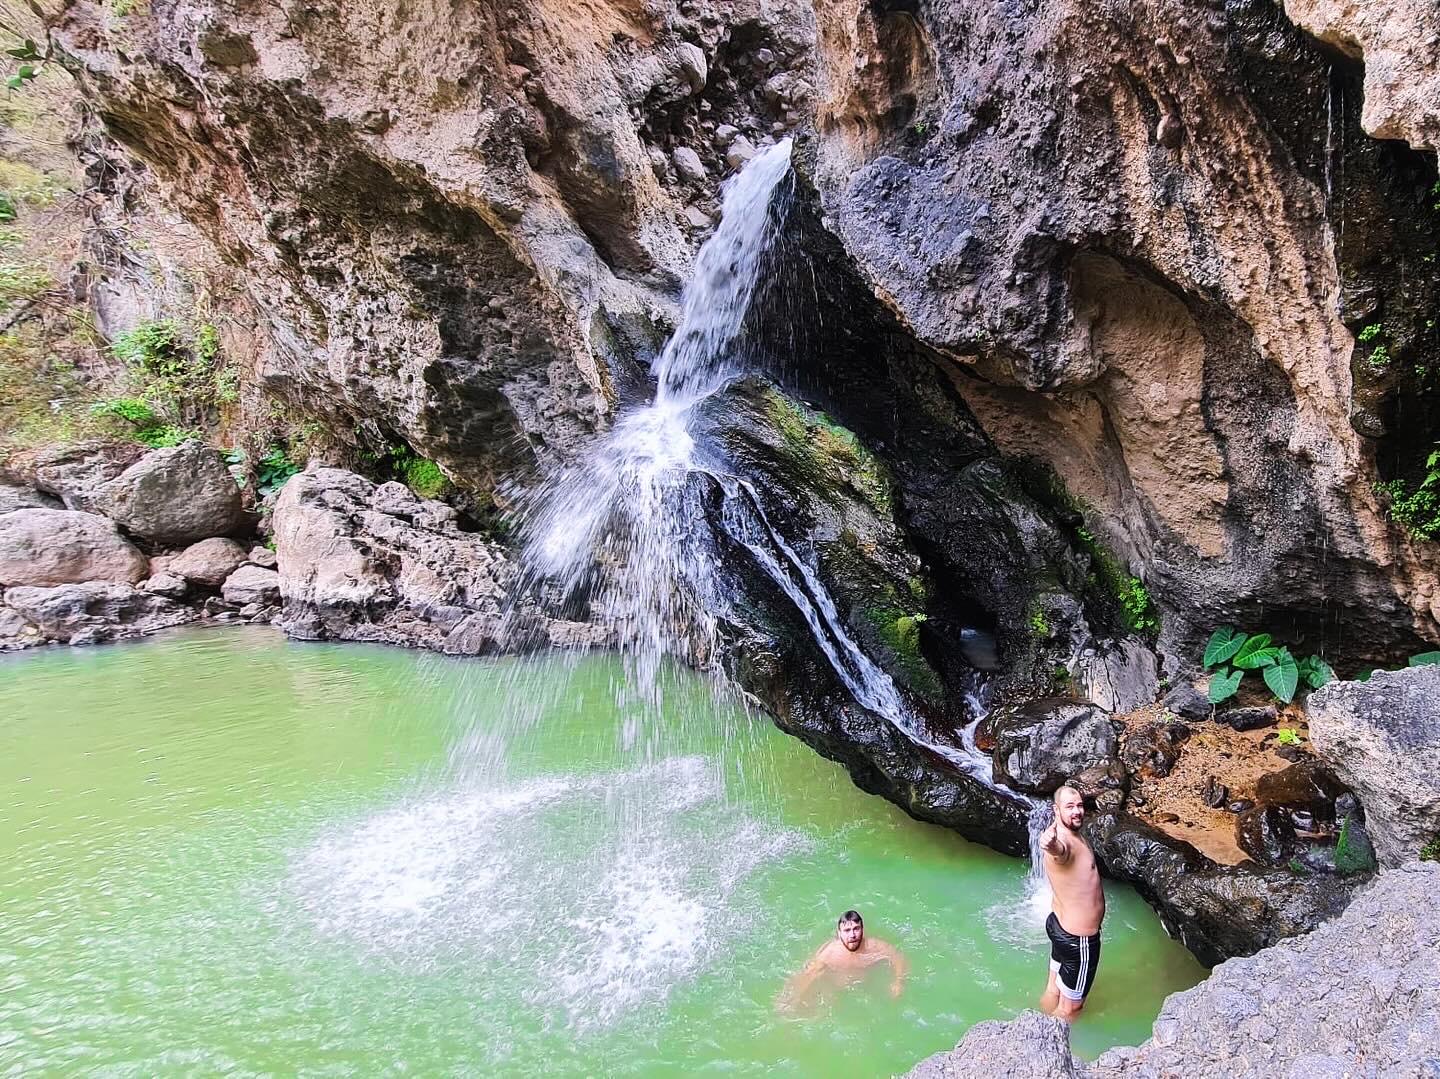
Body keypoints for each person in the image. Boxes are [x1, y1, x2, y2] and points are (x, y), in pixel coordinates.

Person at [1039, 785, 1105, 1021]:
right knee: (1070, 1009)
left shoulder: (1066, 832)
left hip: (1058, 926)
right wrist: (1051, 845)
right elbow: (1059, 851)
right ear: (1056, 810)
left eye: (1079, 805)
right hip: (1079, 941)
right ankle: (1047, 1051)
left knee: (1053, 990)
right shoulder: (1061, 842)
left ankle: (1036, 1022)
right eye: (1070, 807)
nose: (1077, 811)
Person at [776, 910, 907, 1013]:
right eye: (847, 930)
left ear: (862, 929)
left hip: (866, 989)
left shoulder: (874, 946)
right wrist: (792, 999)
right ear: (839, 933)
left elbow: (897, 957)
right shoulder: (829, 953)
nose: (852, 935)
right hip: (836, 989)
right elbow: (808, 975)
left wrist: (898, 981)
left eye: (856, 928)